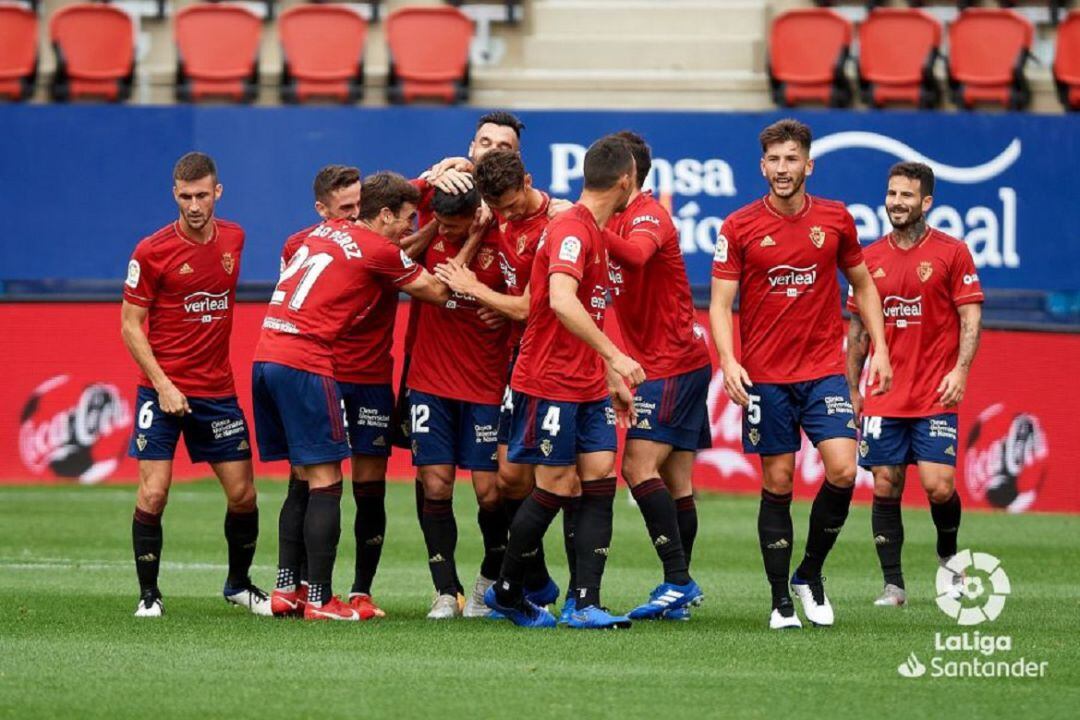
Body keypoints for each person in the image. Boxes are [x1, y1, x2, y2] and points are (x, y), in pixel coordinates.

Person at [709, 119, 892, 630]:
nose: (783, 169)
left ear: (808, 165)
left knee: (841, 469)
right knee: (780, 480)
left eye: (792, 159)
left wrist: (880, 347)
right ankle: (779, 600)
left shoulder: (835, 220)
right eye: (775, 160)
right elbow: (721, 305)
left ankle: (809, 574)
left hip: (823, 371)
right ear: (762, 166)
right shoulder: (738, 227)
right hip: (765, 377)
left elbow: (864, 284)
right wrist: (728, 359)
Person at [253, 172, 447, 621]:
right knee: (327, 484)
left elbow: (385, 250)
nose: (407, 226)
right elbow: (434, 290)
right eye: (404, 218)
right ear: (382, 214)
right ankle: (321, 601)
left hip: (266, 355)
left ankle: (289, 590)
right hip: (308, 362)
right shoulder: (378, 248)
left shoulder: (321, 233)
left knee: (303, 476)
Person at [484, 134, 645, 630]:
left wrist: (607, 377)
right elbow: (560, 300)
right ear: (627, 180)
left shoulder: (591, 229)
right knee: (556, 484)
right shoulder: (571, 230)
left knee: (599, 476)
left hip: (586, 383)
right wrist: (617, 356)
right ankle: (507, 593)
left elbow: (589, 309)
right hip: (550, 379)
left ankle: (584, 601)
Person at [121, 152, 268, 618]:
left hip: (217, 391)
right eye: (185, 196)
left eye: (202, 195)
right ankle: (149, 594)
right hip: (160, 390)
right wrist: (162, 384)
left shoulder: (236, 239)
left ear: (217, 192)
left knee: (243, 494)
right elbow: (130, 325)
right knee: (154, 492)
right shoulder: (151, 250)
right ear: (174, 195)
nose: (195, 204)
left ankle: (239, 585)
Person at [846, 162, 983, 607]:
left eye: (907, 195)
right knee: (885, 483)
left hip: (934, 393)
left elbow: (970, 316)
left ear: (926, 202)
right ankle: (893, 586)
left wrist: (960, 369)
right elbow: (859, 331)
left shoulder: (952, 252)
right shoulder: (869, 259)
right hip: (885, 395)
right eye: (892, 194)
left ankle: (949, 556)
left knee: (939, 486)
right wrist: (852, 386)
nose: (897, 203)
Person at [433, 149, 562, 613]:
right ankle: (536, 579)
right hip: (518, 360)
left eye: (512, 204)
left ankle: (569, 590)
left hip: (558, 364)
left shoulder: (555, 220)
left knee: (570, 479)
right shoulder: (497, 216)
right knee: (509, 479)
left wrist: (481, 292)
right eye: (498, 208)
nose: (506, 215)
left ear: (528, 179)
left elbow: (532, 306)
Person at [603, 131, 707, 621]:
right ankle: (677, 590)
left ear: (627, 176)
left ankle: (679, 581)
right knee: (677, 480)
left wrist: (584, 223)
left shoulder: (647, 214)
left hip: (668, 362)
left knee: (636, 468)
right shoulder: (615, 214)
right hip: (679, 359)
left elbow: (639, 255)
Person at [407, 182, 514, 619]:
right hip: (430, 380)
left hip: (485, 384)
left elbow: (531, 299)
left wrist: (501, 307)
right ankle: (444, 591)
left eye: (457, 226)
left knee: (490, 492)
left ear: (476, 214)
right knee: (435, 483)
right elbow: (434, 278)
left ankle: (487, 581)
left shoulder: (502, 240)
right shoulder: (434, 233)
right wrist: (455, 233)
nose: (446, 232)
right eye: (442, 224)